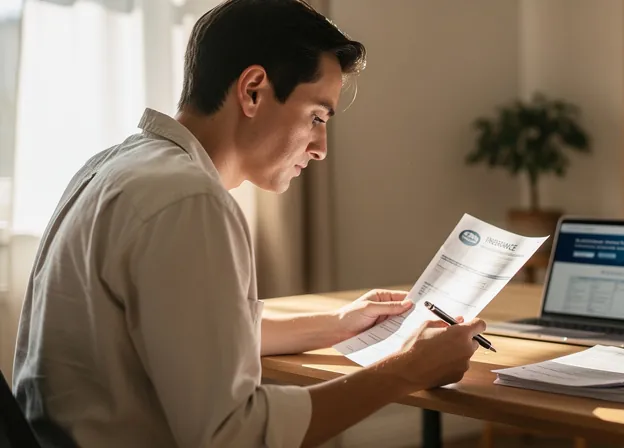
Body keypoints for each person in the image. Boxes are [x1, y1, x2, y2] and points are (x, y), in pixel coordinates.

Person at [12, 0, 485, 447]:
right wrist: (407, 371)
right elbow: (233, 436)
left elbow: (187, 330)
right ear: (254, 90)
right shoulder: (188, 199)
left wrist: (337, 325)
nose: (320, 148)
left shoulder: (119, 166)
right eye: (317, 116)